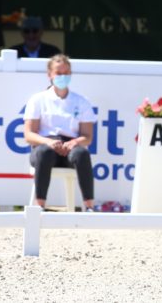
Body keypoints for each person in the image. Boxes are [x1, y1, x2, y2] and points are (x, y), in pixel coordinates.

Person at [23, 54, 96, 211]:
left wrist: (75, 142)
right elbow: (29, 135)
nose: (63, 77)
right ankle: (40, 206)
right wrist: (48, 142)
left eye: (66, 73)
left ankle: (89, 207)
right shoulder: (38, 100)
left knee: (82, 154)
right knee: (44, 153)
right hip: (46, 146)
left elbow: (88, 137)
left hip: (70, 147)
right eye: (58, 73)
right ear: (50, 75)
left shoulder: (81, 102)